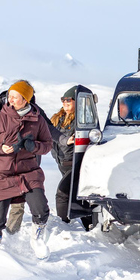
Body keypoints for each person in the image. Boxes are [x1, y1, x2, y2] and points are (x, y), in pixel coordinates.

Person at [0, 85, 58, 235]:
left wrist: (63, 140)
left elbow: (50, 132)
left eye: (16, 97)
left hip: (26, 168)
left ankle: (11, 234)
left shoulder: (36, 113)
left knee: (19, 204)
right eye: (11, 96)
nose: (11, 100)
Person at [50, 86, 77, 223]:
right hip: (61, 162)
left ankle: (63, 223)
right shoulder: (57, 118)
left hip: (72, 162)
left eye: (69, 100)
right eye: (63, 100)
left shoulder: (80, 120)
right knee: (73, 193)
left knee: (62, 193)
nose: (65, 103)